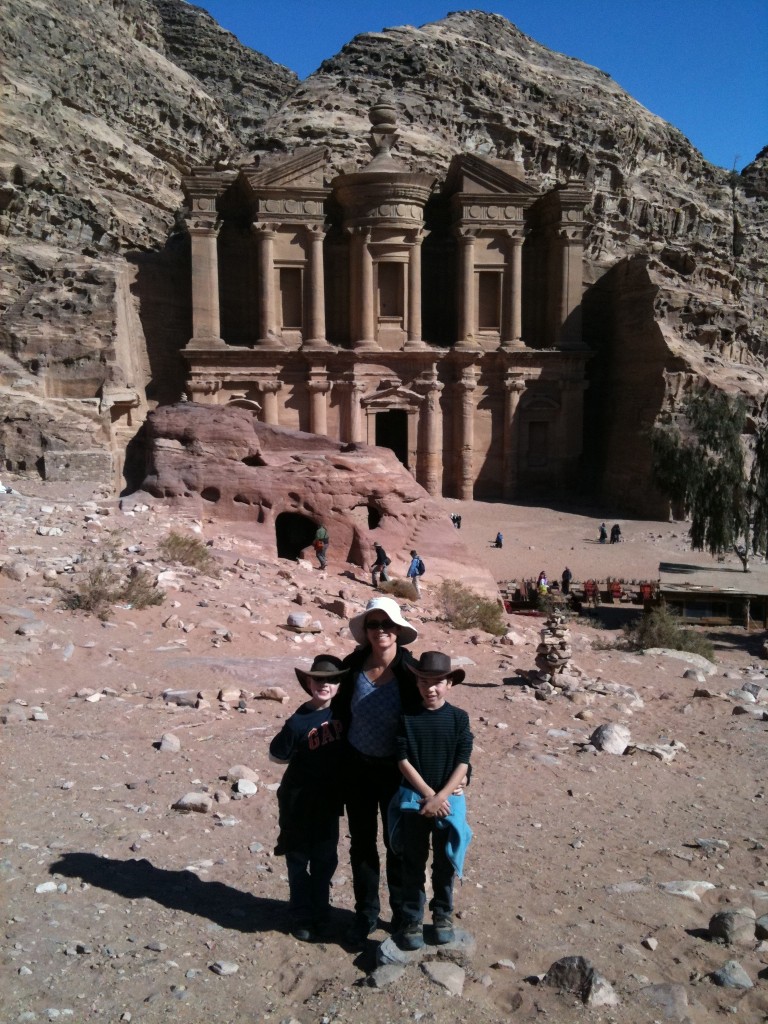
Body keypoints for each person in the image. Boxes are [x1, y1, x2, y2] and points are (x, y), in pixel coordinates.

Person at [333, 597, 420, 947]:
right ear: (366, 631)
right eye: (373, 624)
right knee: (363, 845)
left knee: (397, 844)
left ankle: (401, 915)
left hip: (397, 772)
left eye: (387, 624)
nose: (380, 630)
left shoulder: (410, 670)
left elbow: (427, 721)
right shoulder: (353, 665)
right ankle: (365, 913)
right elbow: (336, 711)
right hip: (357, 768)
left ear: (397, 630)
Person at [389, 651, 473, 951]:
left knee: (444, 863)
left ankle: (442, 916)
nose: (431, 688)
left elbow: (463, 761)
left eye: (438, 682)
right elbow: (402, 759)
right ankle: (412, 919)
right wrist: (428, 795)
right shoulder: (406, 717)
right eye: (424, 681)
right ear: (417, 682)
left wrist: (441, 796)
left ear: (449, 683)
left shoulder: (459, 719)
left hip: (446, 804)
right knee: (412, 863)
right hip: (416, 802)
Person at [269, 654, 347, 942]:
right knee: (298, 857)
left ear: (339, 684)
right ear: (309, 683)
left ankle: (321, 911)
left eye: (331, 680)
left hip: (328, 800)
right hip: (298, 800)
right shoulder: (298, 721)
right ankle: (301, 913)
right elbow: (276, 755)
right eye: (318, 680)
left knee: (326, 858)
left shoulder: (344, 712)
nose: (324, 685)